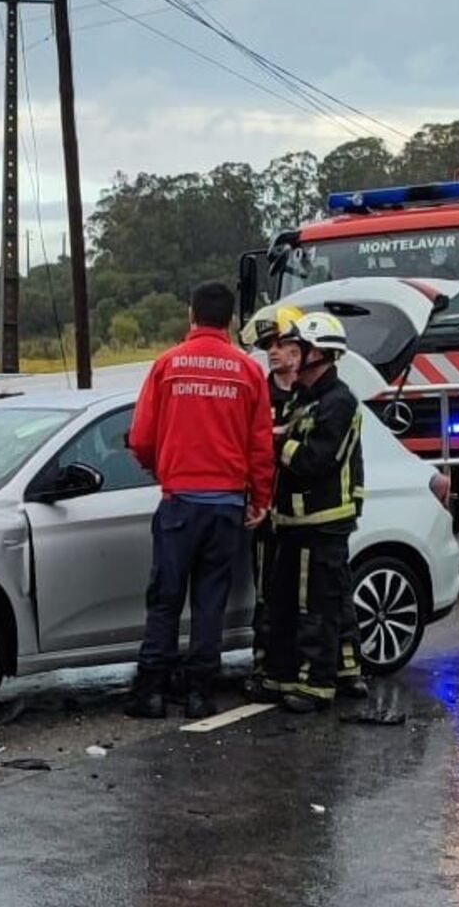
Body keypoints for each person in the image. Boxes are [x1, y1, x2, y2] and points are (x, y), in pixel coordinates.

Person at [126, 282, 275, 719]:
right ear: (230, 320)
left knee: (166, 599)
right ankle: (199, 694)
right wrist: (259, 498)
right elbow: (260, 447)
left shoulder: (167, 365)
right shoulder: (247, 371)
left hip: (179, 504)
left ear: (191, 315)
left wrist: (162, 469)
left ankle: (151, 692)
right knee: (211, 602)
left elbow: (141, 438)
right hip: (227, 506)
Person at [263, 311, 365, 714]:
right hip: (292, 523)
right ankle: (293, 675)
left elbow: (315, 461)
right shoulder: (304, 399)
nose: (288, 354)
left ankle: (317, 685)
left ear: (316, 352)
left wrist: (274, 445)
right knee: (290, 603)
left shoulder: (339, 402)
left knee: (317, 608)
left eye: (296, 347)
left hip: (323, 523)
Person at [237, 304, 304, 703]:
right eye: (268, 346)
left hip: (307, 515)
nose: (274, 352)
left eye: (281, 344)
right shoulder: (258, 390)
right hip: (266, 513)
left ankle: (306, 668)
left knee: (306, 597)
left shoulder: (313, 393)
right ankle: (266, 668)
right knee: (267, 595)